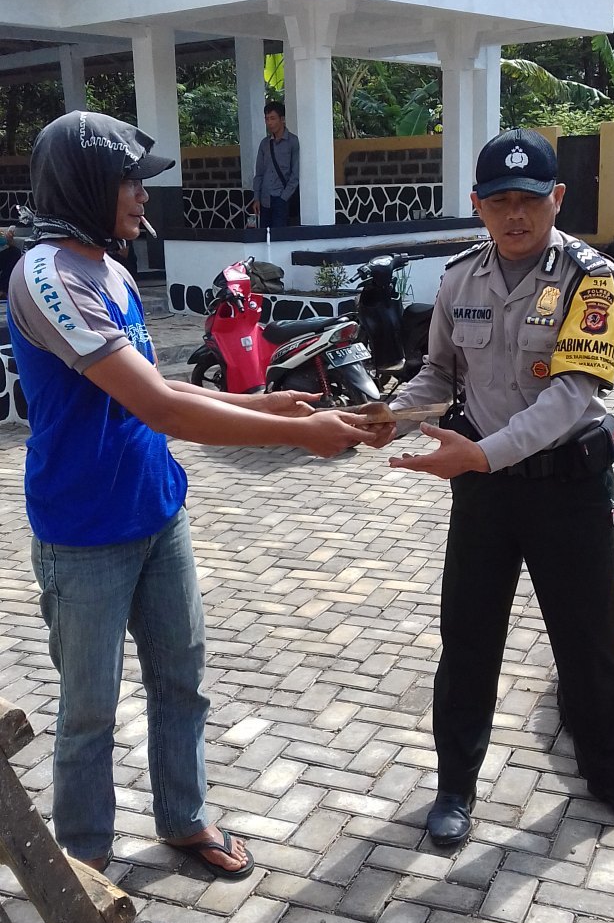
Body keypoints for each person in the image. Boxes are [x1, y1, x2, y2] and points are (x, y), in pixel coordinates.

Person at [7, 111, 386, 878]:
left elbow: (157, 384)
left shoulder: (111, 270)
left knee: (181, 680)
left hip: (156, 508)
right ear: (86, 184)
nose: (143, 196)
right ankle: (85, 863)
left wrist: (264, 403)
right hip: (84, 532)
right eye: (129, 181)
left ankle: (183, 818)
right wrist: (295, 437)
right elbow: (163, 410)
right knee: (89, 711)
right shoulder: (47, 275)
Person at [387, 128, 614, 845]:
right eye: (500, 201)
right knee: (468, 638)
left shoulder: (590, 278)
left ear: (558, 198)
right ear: (477, 203)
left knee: (588, 638)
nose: (516, 215)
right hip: (485, 493)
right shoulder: (459, 279)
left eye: (531, 200)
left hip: (567, 486)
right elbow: (438, 375)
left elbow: (572, 395)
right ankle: (455, 786)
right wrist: (384, 420)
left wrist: (482, 456)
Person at [251, 101, 300, 229]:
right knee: (264, 235)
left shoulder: (292, 141)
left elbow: (295, 174)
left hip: (282, 198)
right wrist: (256, 198)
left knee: (280, 236)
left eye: (273, 118)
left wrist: (284, 197)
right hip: (265, 199)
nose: (269, 123)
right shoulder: (264, 144)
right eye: (267, 119)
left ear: (282, 119)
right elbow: (259, 173)